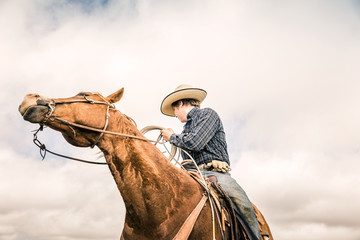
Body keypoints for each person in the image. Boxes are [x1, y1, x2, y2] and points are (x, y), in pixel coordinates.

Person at [160, 84, 261, 240]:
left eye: (174, 109)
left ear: (181, 103)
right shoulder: (185, 130)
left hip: (215, 174)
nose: (174, 114)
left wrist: (172, 137)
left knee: (244, 207)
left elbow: (195, 143)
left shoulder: (208, 115)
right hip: (193, 174)